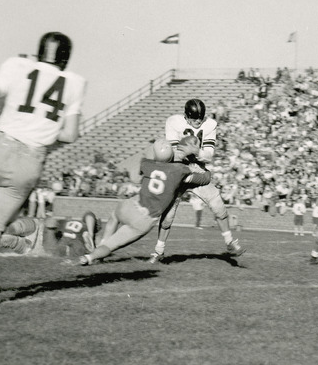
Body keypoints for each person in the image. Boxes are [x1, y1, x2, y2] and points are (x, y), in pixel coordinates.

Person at [0, 32, 86, 291]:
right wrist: (42, 135)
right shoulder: (74, 82)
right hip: (31, 159)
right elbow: (71, 134)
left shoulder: (17, 65)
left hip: (1, 145)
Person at [79, 138, 212, 265]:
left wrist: (160, 148)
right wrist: (201, 166)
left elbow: (147, 155)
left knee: (114, 217)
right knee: (113, 245)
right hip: (144, 219)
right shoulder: (179, 170)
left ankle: (100, 243)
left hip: (129, 206)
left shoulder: (147, 164)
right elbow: (205, 179)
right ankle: (89, 257)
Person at [148, 99, 245, 263]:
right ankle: (159, 251)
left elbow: (208, 155)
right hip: (178, 169)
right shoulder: (173, 122)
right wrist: (186, 152)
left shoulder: (210, 125)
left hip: (197, 168)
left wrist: (196, 151)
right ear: (186, 116)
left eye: (200, 118)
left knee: (218, 205)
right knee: (168, 217)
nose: (198, 122)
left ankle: (230, 242)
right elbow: (173, 154)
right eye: (194, 119)